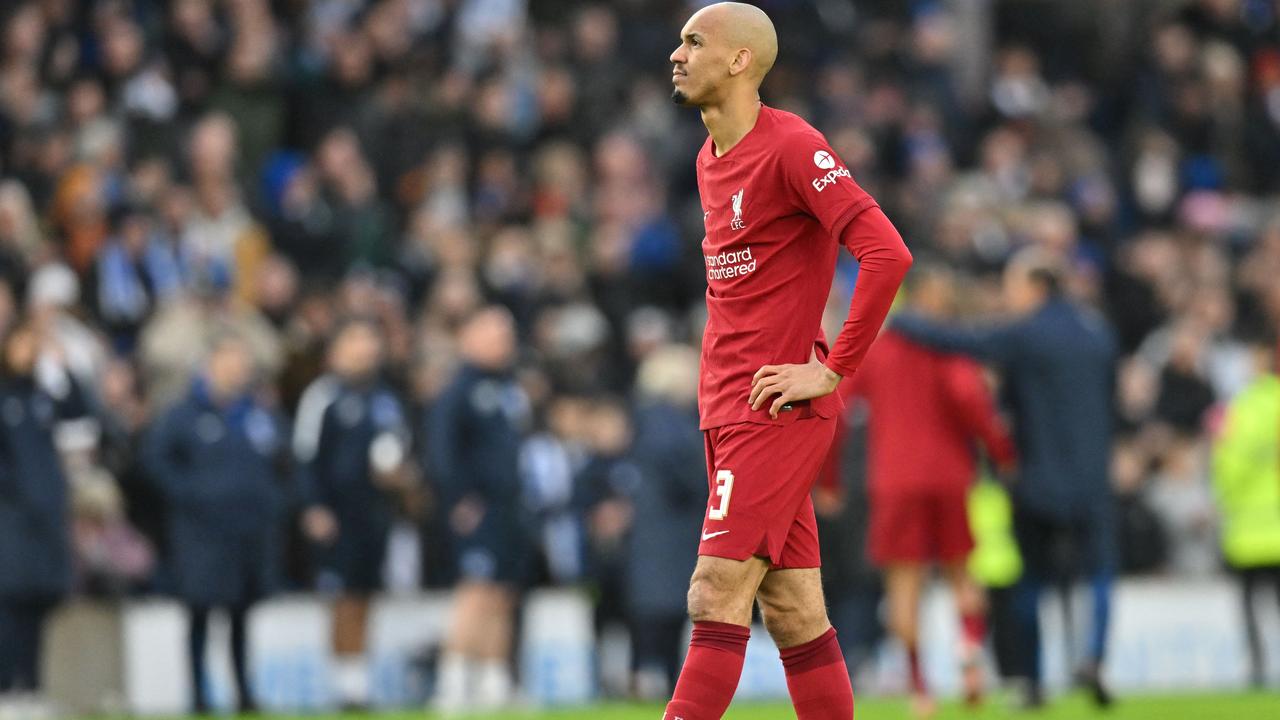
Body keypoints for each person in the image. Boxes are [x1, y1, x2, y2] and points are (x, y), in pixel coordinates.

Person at [664, 5, 913, 719]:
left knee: (713, 592)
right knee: (794, 609)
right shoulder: (709, 158)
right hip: (725, 407)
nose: (676, 54)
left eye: (694, 41)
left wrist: (833, 367)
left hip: (771, 411)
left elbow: (886, 253)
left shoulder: (793, 147)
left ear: (740, 61)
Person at [892, 249, 1118, 708]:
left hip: (1037, 478)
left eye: (1014, 288)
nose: (1009, 298)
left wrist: (900, 319)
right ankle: (1093, 657)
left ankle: (1033, 683)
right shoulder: (1099, 334)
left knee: (1031, 580)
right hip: (1095, 478)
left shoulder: (1027, 334)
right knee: (1099, 573)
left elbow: (962, 342)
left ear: (1037, 287)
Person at [845, 264, 1016, 717]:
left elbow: (841, 405)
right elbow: (971, 403)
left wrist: (826, 477)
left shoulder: (879, 350)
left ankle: (920, 689)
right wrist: (1002, 454)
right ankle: (969, 652)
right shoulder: (950, 349)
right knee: (963, 573)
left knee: (904, 588)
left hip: (894, 483)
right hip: (949, 477)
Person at [143, 332, 289, 714]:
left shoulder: (257, 413)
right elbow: (156, 462)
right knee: (200, 614)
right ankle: (198, 697)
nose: (236, 369)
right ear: (209, 366)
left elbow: (284, 458)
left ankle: (245, 694)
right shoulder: (182, 414)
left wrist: (271, 499)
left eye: (241, 362)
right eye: (228, 360)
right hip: (200, 534)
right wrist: (191, 493)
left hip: (248, 530)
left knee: (242, 614)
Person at [293, 317, 414, 709]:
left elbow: (399, 450)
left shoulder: (386, 399)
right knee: (341, 596)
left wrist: (397, 476)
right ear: (337, 349)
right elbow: (305, 456)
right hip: (337, 513)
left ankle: (359, 679)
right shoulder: (323, 396)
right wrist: (314, 506)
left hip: (374, 513)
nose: (365, 349)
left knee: (365, 595)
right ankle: (342, 683)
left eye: (370, 341)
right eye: (356, 340)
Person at [426, 306, 531, 712]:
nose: (505, 342)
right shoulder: (457, 390)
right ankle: (452, 683)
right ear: (469, 338)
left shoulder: (508, 388)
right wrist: (457, 498)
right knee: (476, 591)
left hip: (509, 504)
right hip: (478, 507)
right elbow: (441, 451)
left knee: (503, 594)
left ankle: (494, 681)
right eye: (495, 334)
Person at [0, 322, 87, 716]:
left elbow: (81, 421)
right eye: (22, 343)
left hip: (46, 517)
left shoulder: (43, 394)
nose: (28, 351)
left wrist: (64, 370)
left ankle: (32, 688)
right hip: (11, 516)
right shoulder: (5, 396)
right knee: (8, 604)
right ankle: (6, 689)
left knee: (38, 602)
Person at [625, 345, 704, 700]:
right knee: (666, 610)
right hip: (669, 530)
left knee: (665, 610)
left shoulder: (652, 418)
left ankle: (658, 681)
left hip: (660, 529)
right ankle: (655, 680)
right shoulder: (667, 422)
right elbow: (688, 474)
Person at [1210, 339, 1280, 688]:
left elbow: (1230, 462)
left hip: (1250, 524)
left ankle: (1258, 667)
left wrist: (1223, 492)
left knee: (1251, 605)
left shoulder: (1244, 407)